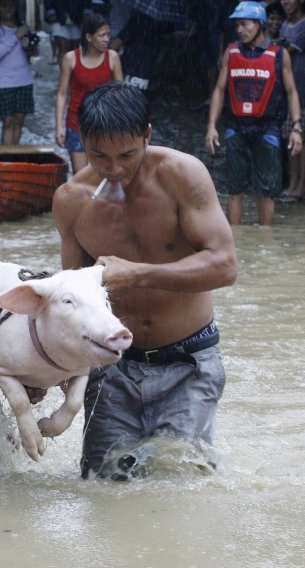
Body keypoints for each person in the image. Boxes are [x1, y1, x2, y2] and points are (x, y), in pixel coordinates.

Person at [52, 83, 238, 480]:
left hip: (188, 362)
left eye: (127, 155)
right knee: (104, 487)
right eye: (99, 155)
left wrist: (137, 274)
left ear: (147, 137)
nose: (114, 168)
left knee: (178, 482)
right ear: (82, 140)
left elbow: (225, 266)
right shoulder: (71, 200)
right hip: (112, 365)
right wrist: (54, 369)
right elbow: (71, 299)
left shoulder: (182, 175)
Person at [205, 1, 303, 226]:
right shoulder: (231, 52)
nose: (240, 30)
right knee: (234, 188)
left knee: (267, 190)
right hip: (236, 126)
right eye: (237, 25)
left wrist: (297, 127)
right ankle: (235, 240)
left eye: (245, 24)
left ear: (260, 24)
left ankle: (265, 239)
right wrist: (211, 126)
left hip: (268, 127)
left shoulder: (279, 54)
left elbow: (291, 91)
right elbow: (219, 90)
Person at [55, 13, 123, 175]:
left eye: (108, 34)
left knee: (101, 176)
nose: (107, 39)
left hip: (104, 125)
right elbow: (62, 94)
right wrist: (58, 126)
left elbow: (121, 94)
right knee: (80, 176)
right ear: (89, 37)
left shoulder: (112, 58)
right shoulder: (70, 58)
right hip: (76, 124)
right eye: (102, 35)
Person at [277, 0, 305, 202]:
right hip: (286, 90)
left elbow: (287, 52)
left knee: (302, 136)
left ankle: (301, 186)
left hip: (301, 89)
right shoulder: (285, 24)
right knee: (288, 137)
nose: (286, 2)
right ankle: (292, 184)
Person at [0, 0, 36, 145]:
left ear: (15, 8)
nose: (8, 9)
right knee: (7, 121)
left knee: (19, 120)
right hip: (5, 82)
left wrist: (28, 46)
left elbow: (34, 52)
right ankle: (7, 157)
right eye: (3, 6)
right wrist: (16, 37)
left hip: (24, 80)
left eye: (11, 5)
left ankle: (15, 154)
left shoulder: (23, 28)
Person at [43, 0, 84, 65]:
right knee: (63, 46)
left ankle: (71, 72)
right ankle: (64, 73)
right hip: (57, 14)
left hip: (76, 15)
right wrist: (50, 12)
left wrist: (85, 13)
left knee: (74, 48)